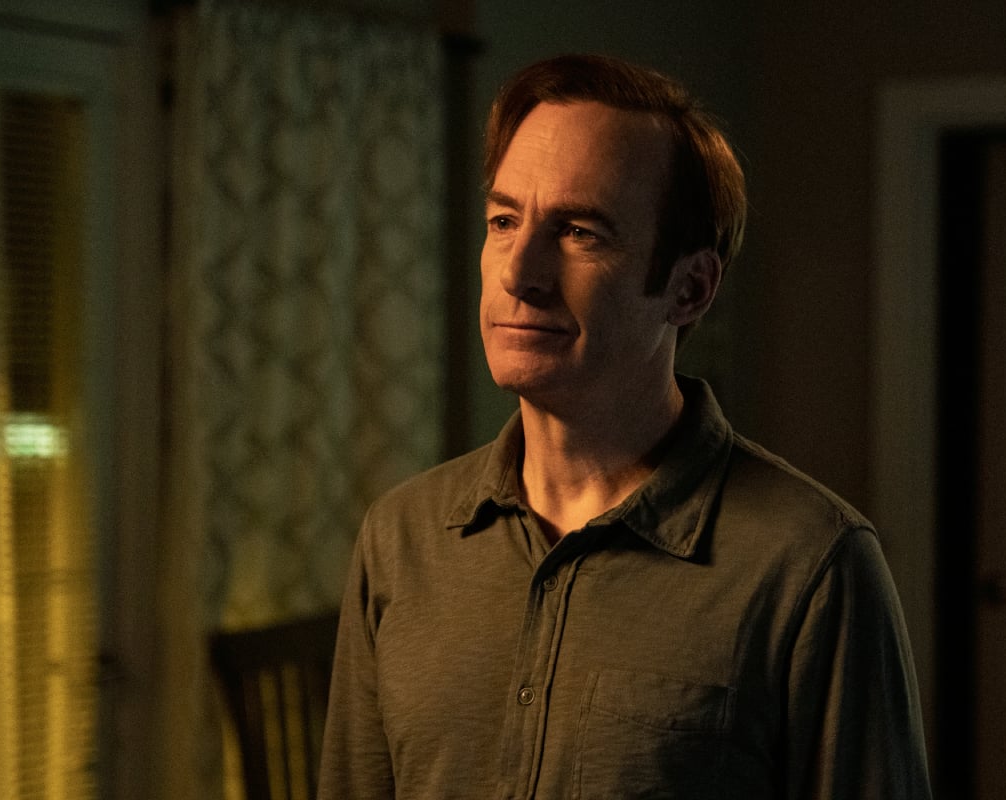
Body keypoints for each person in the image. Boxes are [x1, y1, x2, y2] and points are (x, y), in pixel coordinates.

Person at [318, 53, 931, 799]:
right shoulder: (401, 538)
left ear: (689, 288)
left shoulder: (810, 566)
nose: (518, 273)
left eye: (580, 231)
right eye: (504, 221)